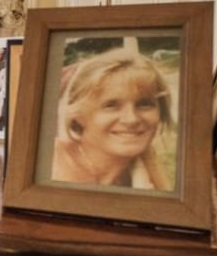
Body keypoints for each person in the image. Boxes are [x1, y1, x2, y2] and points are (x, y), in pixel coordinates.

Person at [50, 47, 174, 191]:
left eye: (144, 104)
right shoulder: (53, 164)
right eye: (111, 105)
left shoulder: (144, 161)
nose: (131, 119)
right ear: (77, 116)